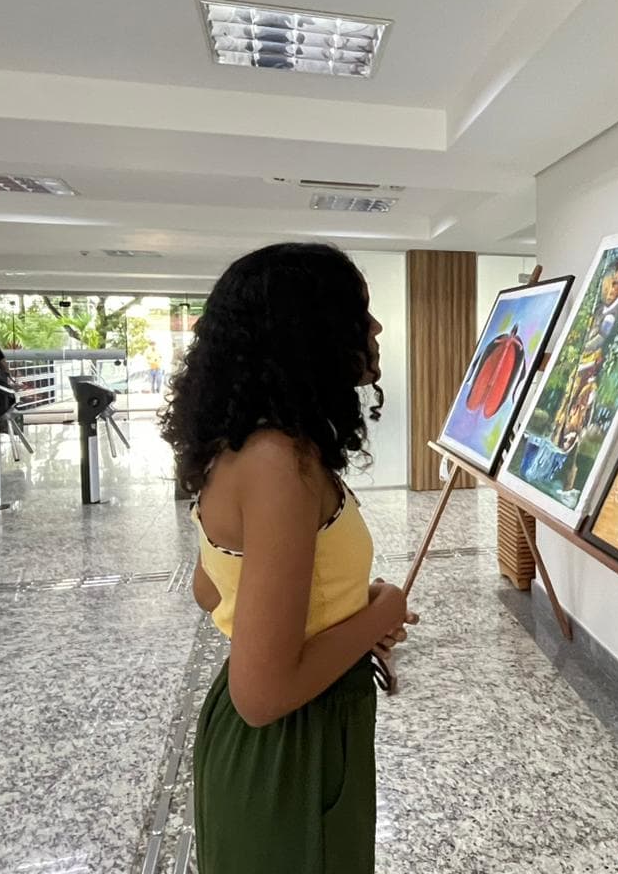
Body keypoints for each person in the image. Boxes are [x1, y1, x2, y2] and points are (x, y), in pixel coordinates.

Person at [160, 243, 416, 874]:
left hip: (288, 740)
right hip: (289, 750)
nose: (376, 328)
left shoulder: (247, 447)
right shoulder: (279, 464)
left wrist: (341, 612)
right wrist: (380, 610)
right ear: (308, 329)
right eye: (358, 311)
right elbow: (263, 694)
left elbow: (211, 589)